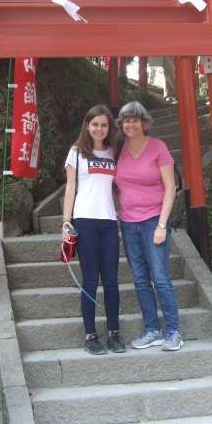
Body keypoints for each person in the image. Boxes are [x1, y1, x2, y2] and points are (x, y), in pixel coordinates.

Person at [114, 101, 183, 351]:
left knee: (161, 278)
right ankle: (152, 329)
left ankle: (173, 331)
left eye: (135, 119)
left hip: (154, 220)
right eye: (126, 120)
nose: (130, 124)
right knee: (140, 279)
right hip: (128, 222)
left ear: (144, 122)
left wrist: (162, 224)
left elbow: (170, 187)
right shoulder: (120, 149)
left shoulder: (158, 147)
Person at [61, 104, 125, 356]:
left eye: (104, 124)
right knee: (90, 281)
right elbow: (70, 188)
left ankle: (114, 333)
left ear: (109, 128)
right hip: (85, 221)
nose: (99, 128)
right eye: (95, 123)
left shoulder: (114, 153)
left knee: (111, 281)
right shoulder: (76, 152)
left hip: (109, 222)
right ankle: (90, 335)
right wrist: (67, 220)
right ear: (87, 125)